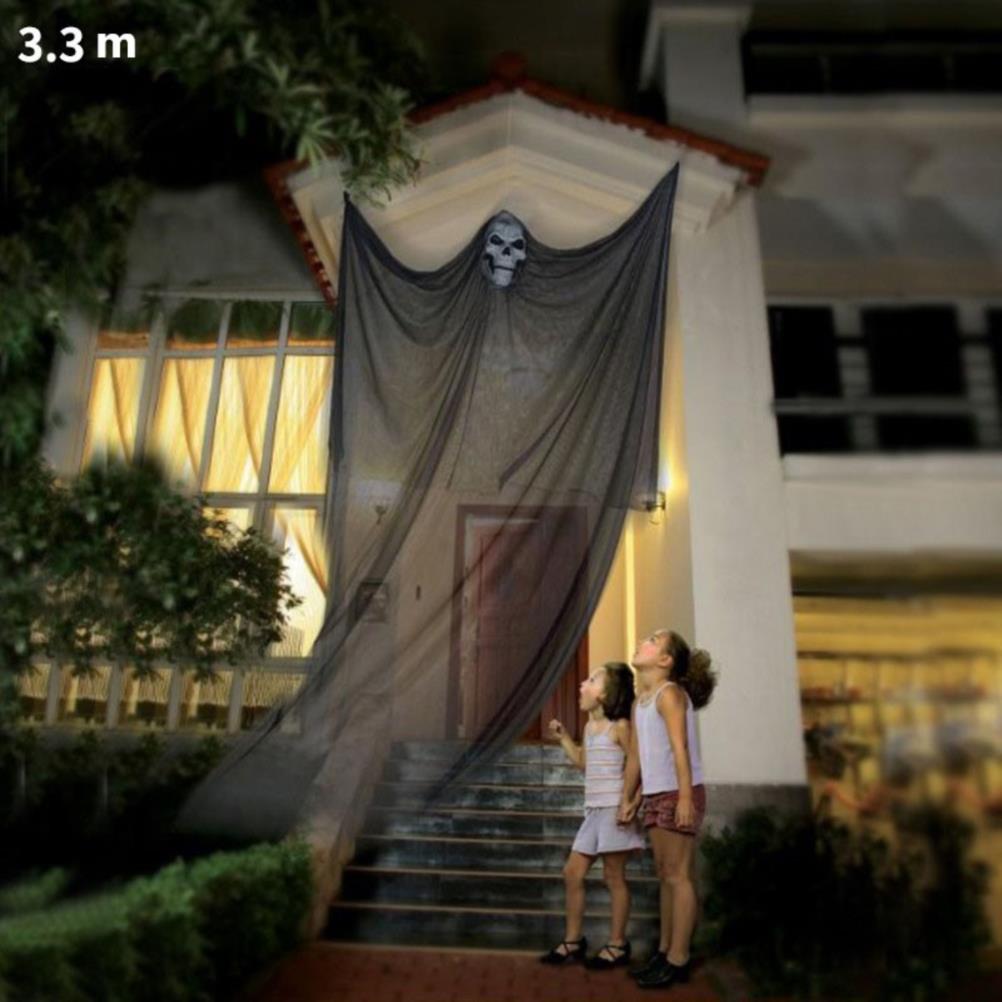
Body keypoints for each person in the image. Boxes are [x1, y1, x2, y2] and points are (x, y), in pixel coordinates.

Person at [618, 629, 717, 989]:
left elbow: (680, 749)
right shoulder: (640, 702)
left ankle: (679, 958)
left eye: (653, 640)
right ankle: (663, 952)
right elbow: (635, 755)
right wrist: (628, 797)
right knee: (665, 875)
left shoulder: (670, 694)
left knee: (678, 875)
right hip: (657, 793)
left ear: (665, 660)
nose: (643, 641)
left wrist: (686, 798)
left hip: (679, 792)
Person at [540, 662, 646, 969]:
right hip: (593, 812)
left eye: (591, 680)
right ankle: (573, 940)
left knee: (613, 877)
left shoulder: (620, 726)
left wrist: (633, 802)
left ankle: (618, 944)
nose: (582, 684)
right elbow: (584, 763)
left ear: (605, 694)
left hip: (614, 811)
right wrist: (564, 738)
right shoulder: (589, 728)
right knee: (572, 873)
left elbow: (640, 763)